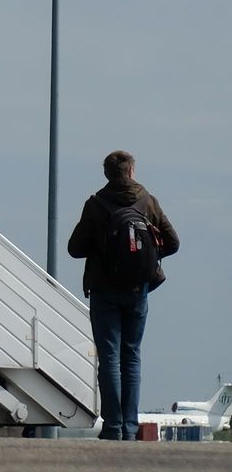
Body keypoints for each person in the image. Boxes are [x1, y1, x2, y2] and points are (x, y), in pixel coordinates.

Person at [65, 150, 178, 439]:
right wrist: (147, 258)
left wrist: (103, 248)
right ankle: (130, 427)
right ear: (131, 172)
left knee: (110, 358)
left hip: (104, 290)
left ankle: (113, 427)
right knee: (132, 356)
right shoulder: (148, 201)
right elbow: (173, 242)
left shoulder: (95, 204)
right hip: (137, 290)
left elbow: (75, 249)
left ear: (107, 174)